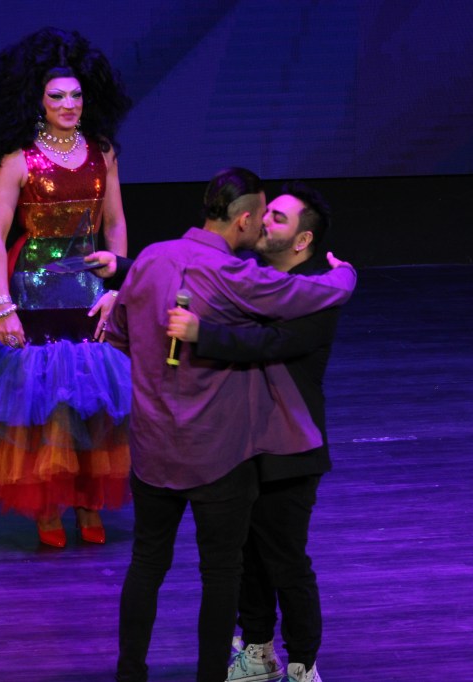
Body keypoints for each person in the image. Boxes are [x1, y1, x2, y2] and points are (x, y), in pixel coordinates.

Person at [104, 168, 356, 681]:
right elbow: (307, 296)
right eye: (264, 215)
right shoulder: (237, 277)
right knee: (222, 572)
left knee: (148, 563)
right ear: (244, 220)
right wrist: (346, 276)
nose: (264, 224)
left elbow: (121, 335)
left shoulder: (152, 258)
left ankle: (132, 673)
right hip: (216, 454)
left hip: (154, 448)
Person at [0, 27, 132, 548]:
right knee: (43, 398)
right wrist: (4, 307)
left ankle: (88, 501)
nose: (69, 104)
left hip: (88, 288)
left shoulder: (103, 152)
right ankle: (47, 506)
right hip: (35, 289)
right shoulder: (18, 159)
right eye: (57, 96)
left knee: (95, 397)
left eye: (76, 95)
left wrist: (117, 283)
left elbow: (115, 223)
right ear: (39, 103)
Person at [167, 182, 337, 682]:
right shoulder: (250, 277)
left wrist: (203, 334)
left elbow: (269, 342)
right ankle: (259, 652)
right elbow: (188, 272)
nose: (265, 222)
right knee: (247, 557)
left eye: (279, 218)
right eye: (266, 214)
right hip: (242, 442)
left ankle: (303, 665)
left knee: (285, 559)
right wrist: (123, 274)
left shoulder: (317, 292)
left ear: (302, 240)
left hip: (291, 444)